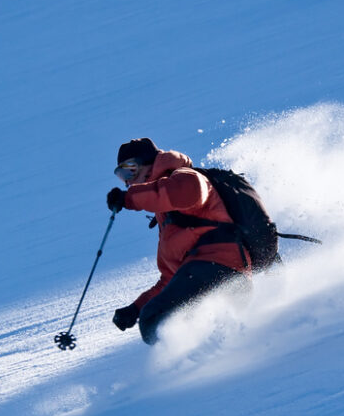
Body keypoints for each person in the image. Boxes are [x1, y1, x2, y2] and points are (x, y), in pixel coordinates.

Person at [107, 138, 251, 345]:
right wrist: (135, 308)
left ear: (149, 163)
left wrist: (129, 199)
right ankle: (214, 365)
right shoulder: (165, 215)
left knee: (155, 319)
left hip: (219, 266)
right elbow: (171, 278)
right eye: (121, 176)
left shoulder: (184, 176)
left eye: (130, 170)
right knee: (155, 319)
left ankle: (196, 361)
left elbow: (188, 192)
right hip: (215, 275)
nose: (128, 181)